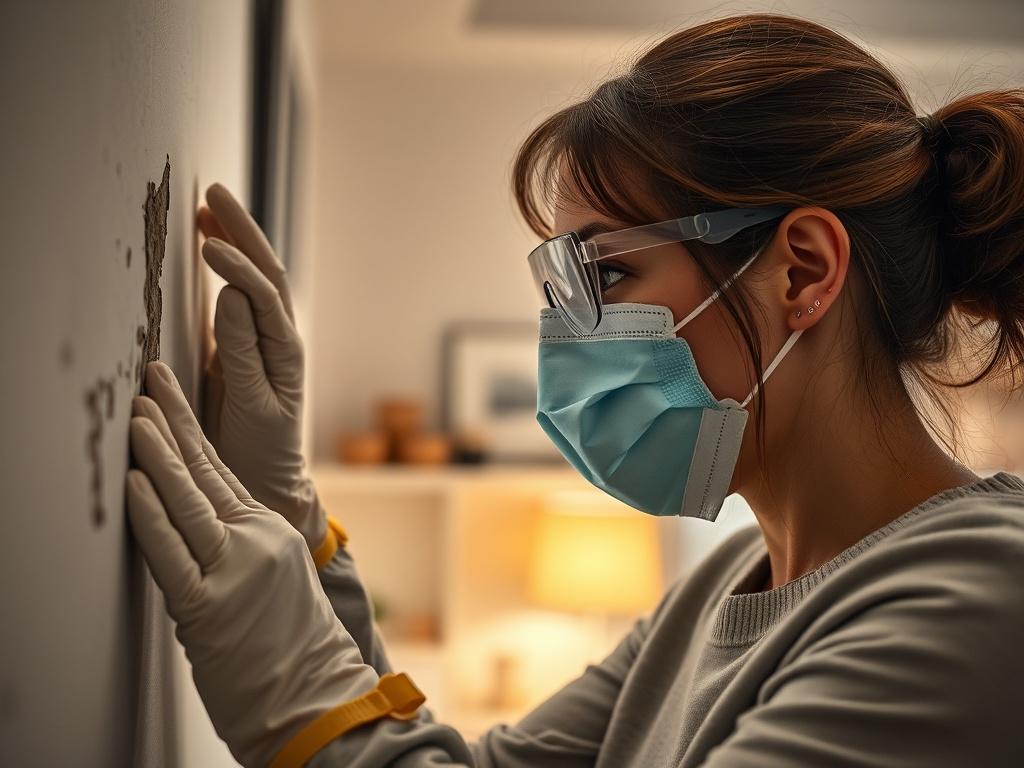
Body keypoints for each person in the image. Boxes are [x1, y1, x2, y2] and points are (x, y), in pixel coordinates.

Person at [125, 12, 1024, 768]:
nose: (567, 339)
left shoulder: (974, 602)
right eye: (562, 289)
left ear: (802, 272)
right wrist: (295, 523)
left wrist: (299, 694)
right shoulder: (717, 592)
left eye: (606, 275)